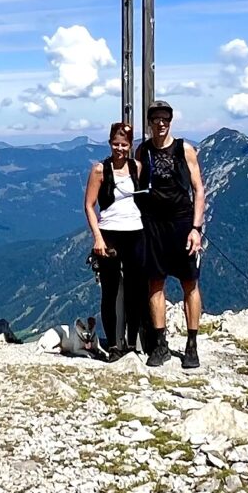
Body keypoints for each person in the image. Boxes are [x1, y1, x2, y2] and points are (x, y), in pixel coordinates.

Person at [137, 99, 207, 368]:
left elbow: (198, 189)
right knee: (155, 283)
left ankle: (192, 345)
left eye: (165, 118)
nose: (161, 123)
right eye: (156, 119)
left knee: (190, 283)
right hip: (154, 225)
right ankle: (160, 345)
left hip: (181, 223)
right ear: (150, 122)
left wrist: (196, 229)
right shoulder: (143, 151)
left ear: (170, 120)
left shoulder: (184, 149)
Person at [82, 122, 147, 359]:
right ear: (110, 144)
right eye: (116, 144)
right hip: (109, 233)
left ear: (130, 146)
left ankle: (130, 343)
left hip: (135, 232)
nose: (120, 148)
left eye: (124, 144)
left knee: (135, 290)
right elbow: (89, 205)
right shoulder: (99, 170)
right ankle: (113, 345)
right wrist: (97, 237)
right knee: (109, 291)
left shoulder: (137, 167)